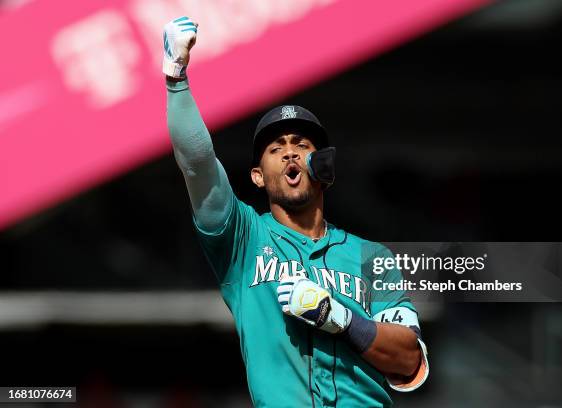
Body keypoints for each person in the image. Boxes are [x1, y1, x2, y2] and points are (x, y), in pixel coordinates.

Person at [163, 16, 429, 408]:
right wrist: (176, 79)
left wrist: (336, 315)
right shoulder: (242, 240)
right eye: (275, 148)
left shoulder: (372, 257)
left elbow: (408, 361)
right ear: (257, 175)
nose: (290, 151)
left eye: (301, 144)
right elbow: (198, 164)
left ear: (322, 165)